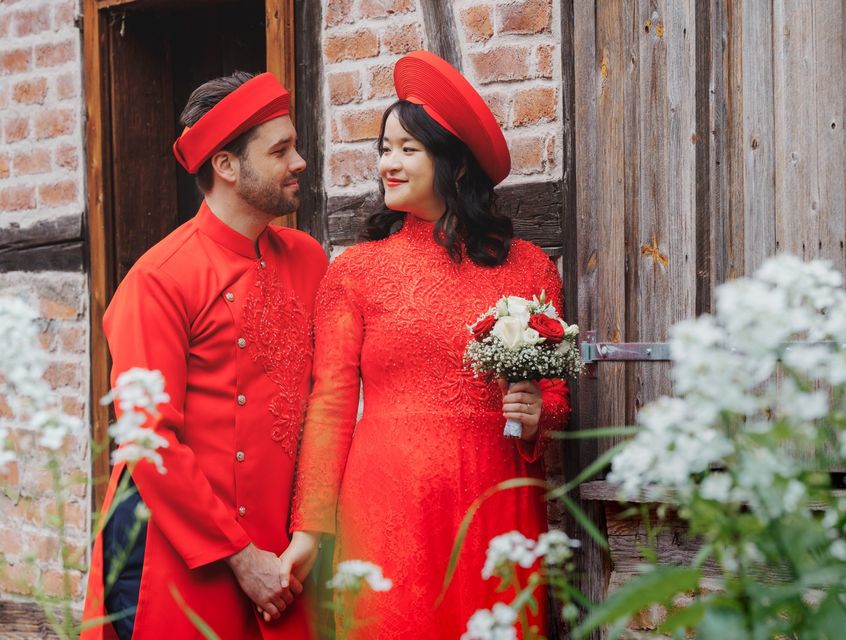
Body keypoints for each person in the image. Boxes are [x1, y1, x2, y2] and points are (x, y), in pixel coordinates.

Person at [281, 51, 570, 637]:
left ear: (453, 165)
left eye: (407, 150)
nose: (388, 163)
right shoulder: (355, 271)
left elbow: (555, 395)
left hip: (496, 499)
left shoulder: (528, 268)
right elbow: (331, 407)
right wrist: (309, 533)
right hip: (387, 505)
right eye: (384, 149)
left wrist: (541, 415)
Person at [80, 71, 327, 640]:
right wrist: (243, 558)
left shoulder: (308, 259)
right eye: (281, 149)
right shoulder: (159, 280)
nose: (300, 162)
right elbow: (150, 440)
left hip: (289, 558)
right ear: (226, 166)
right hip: (186, 557)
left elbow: (329, 399)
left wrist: (305, 538)